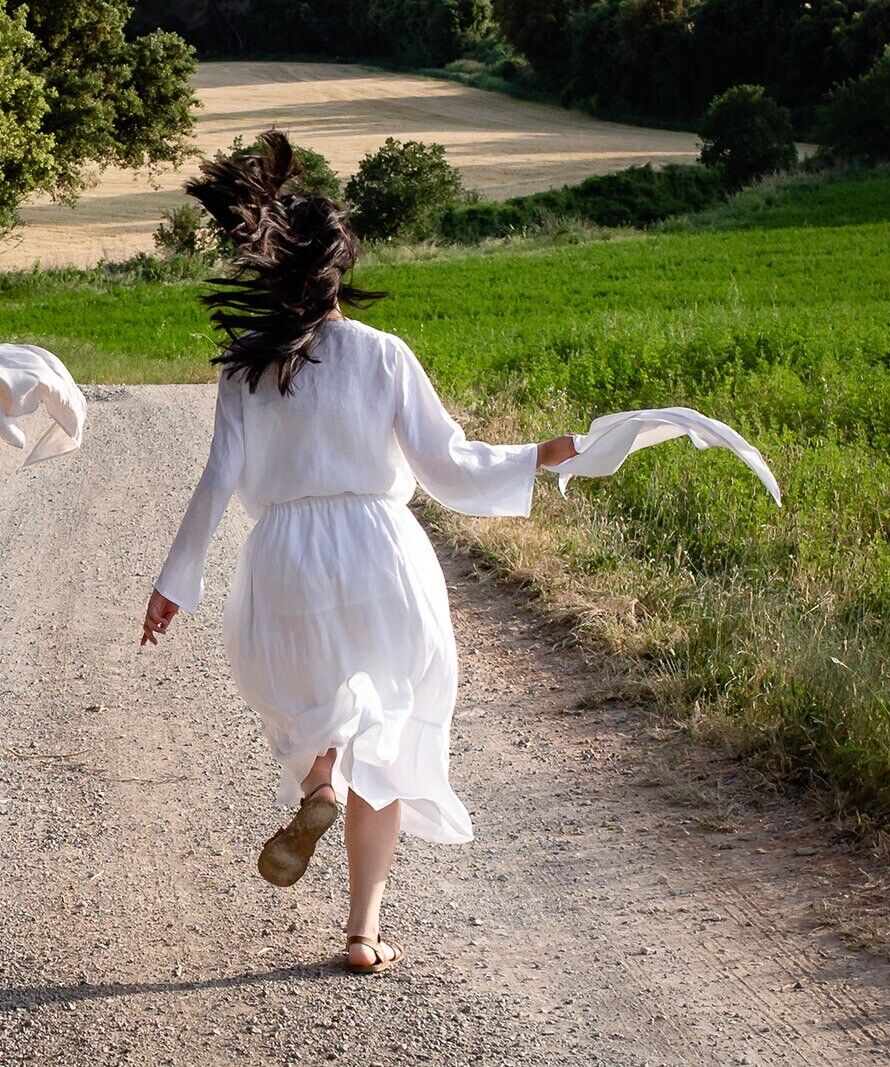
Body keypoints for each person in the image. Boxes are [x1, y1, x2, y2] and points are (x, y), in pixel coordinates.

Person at [140, 133, 577, 973]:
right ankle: (362, 932)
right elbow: (448, 464)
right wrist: (534, 457)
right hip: (382, 559)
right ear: (340, 267)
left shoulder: (246, 372)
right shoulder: (384, 355)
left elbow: (215, 481)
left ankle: (317, 785)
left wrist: (174, 584)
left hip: (285, 564)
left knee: (312, 712)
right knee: (385, 732)